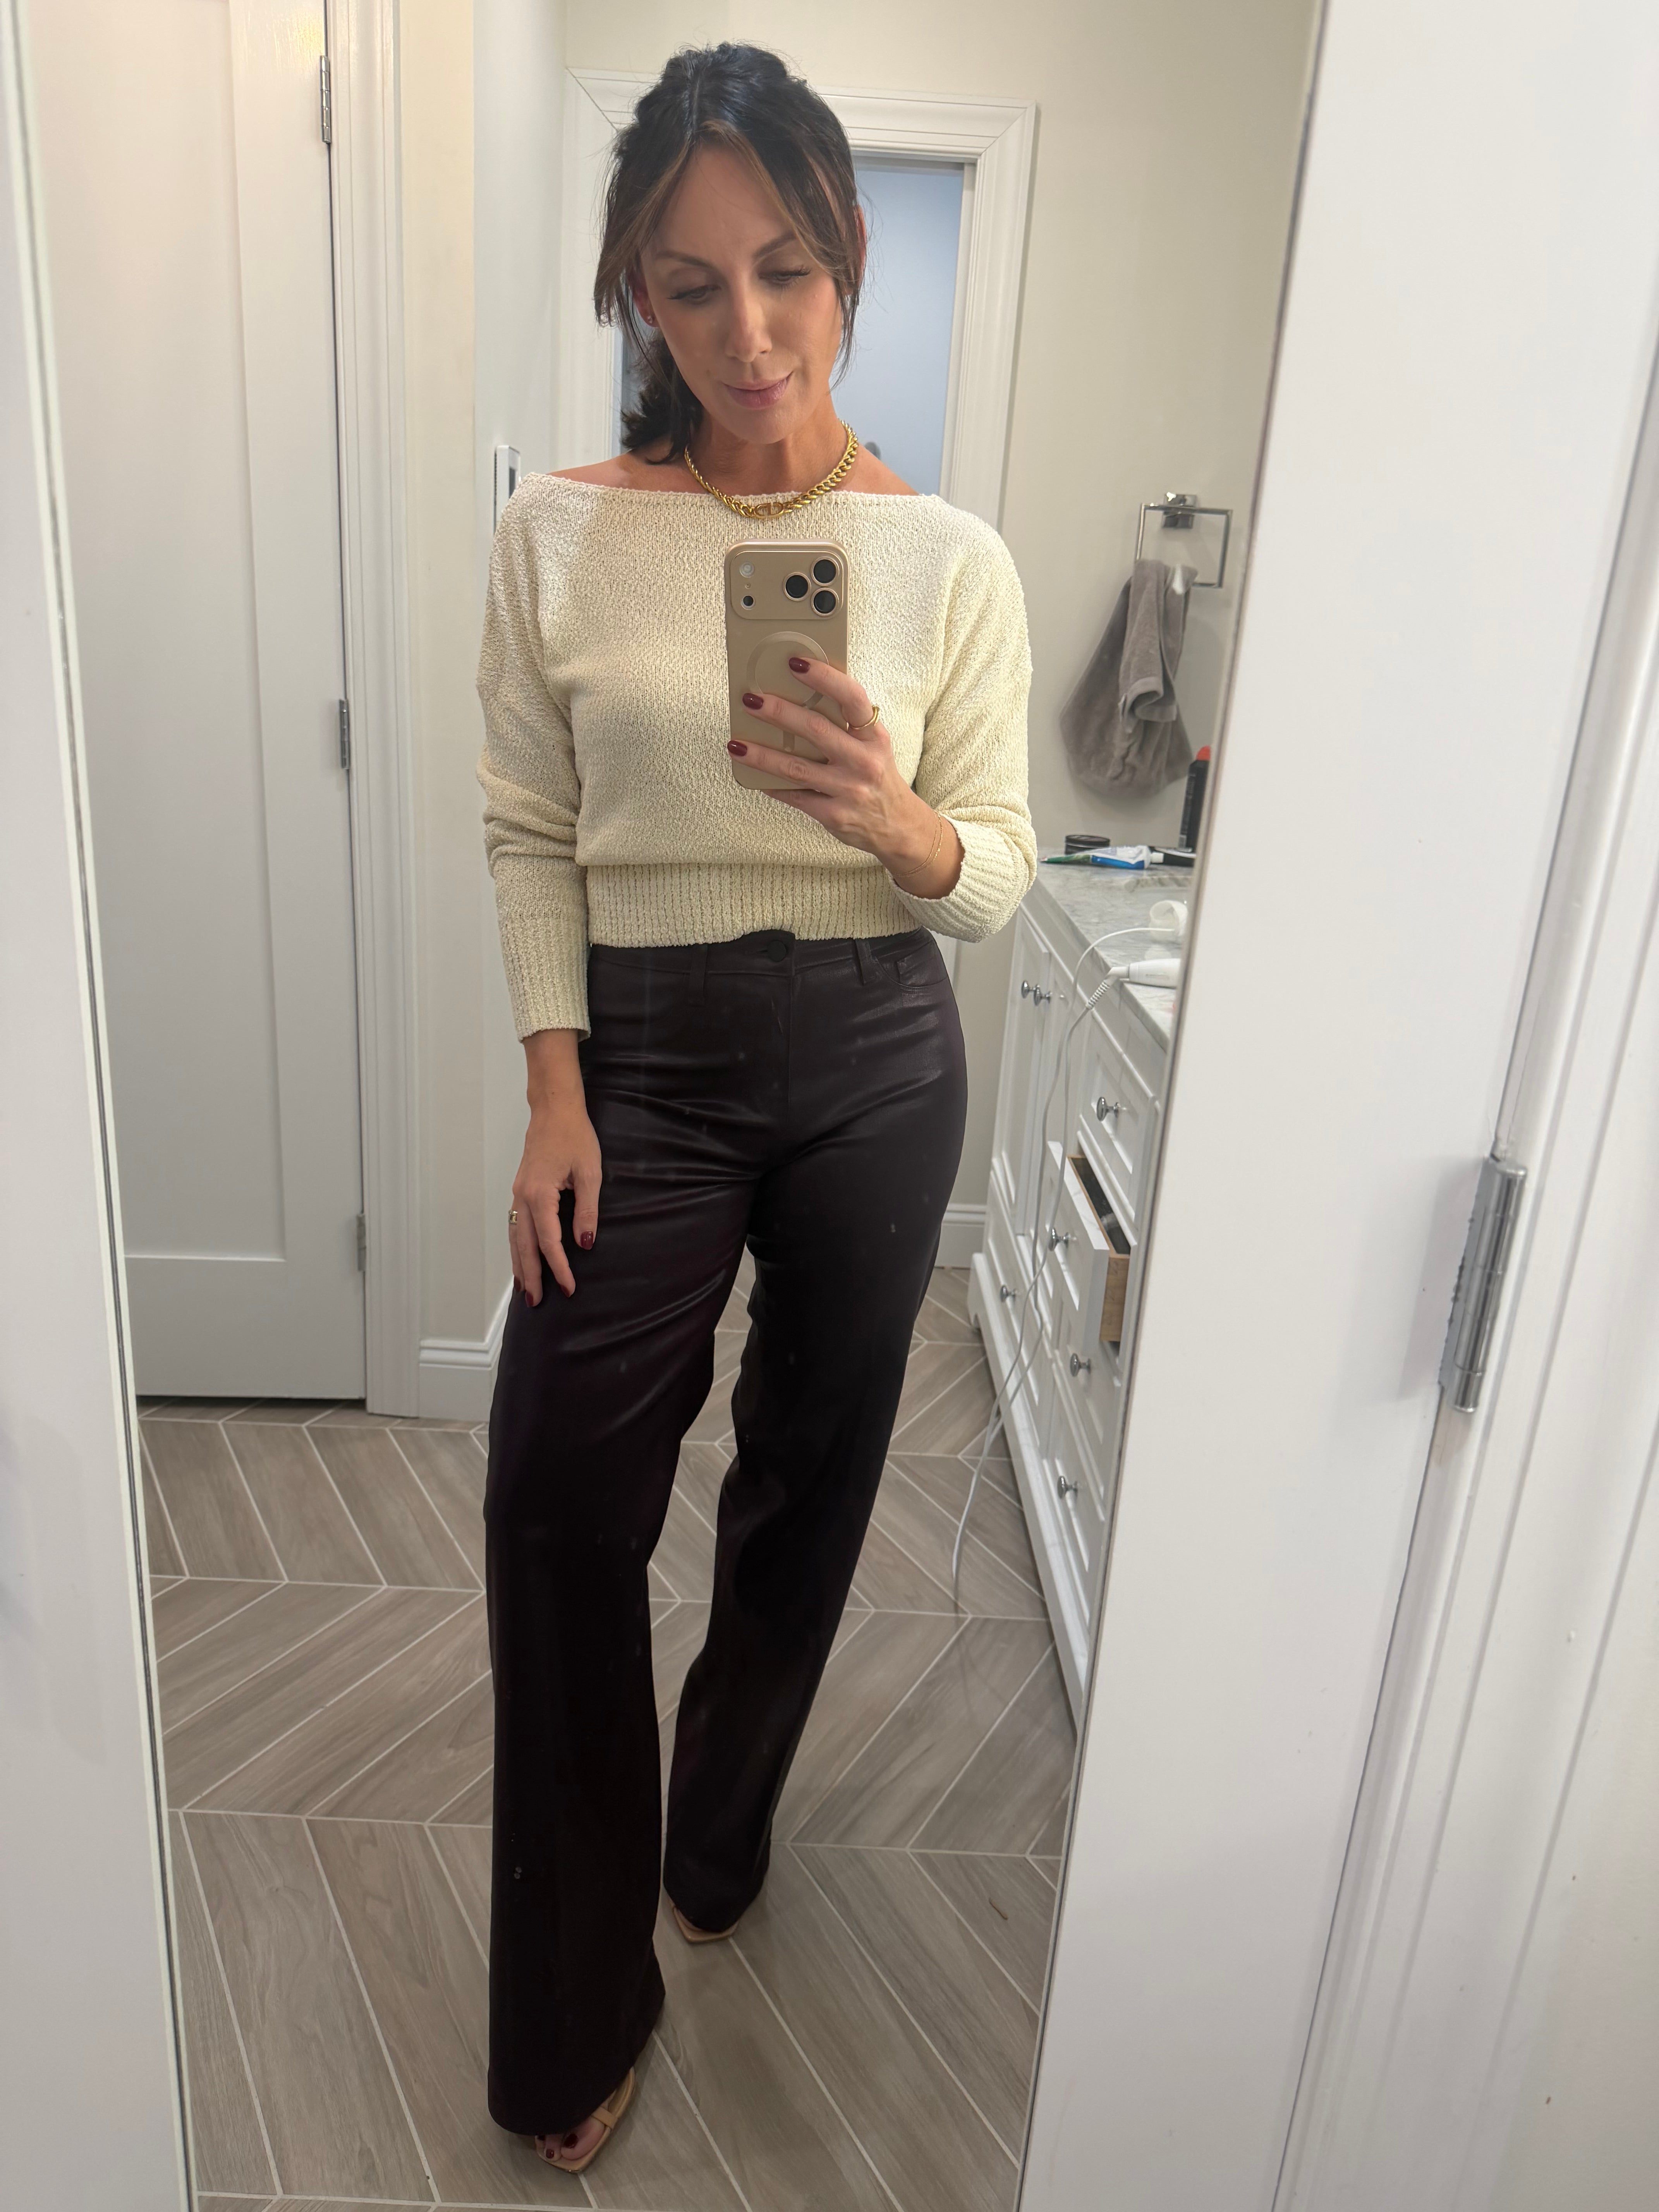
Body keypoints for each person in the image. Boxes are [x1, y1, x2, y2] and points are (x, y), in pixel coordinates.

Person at [476, 41, 1035, 2174]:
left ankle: (719, 1830)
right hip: (637, 1058)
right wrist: (554, 1087)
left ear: (849, 257)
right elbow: (529, 826)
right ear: (638, 290)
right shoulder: (556, 533)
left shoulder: (951, 557)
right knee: (555, 1497)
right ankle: (571, 2010)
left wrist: (897, 820)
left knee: (811, 1473)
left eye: (786, 270)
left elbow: (999, 869)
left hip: (879, 1049)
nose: (750, 333)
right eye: (693, 284)